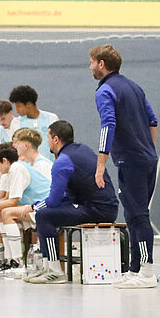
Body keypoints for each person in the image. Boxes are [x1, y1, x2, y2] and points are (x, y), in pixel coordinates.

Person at [90, 44, 159, 289]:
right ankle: (134, 269)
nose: (90, 67)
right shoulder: (135, 87)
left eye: (92, 62)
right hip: (146, 159)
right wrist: (150, 150)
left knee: (139, 215)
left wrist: (100, 165)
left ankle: (147, 272)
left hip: (132, 161)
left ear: (101, 64)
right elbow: (153, 120)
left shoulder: (105, 91)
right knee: (131, 214)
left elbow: (108, 126)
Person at [23, 120, 119, 284]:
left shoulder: (62, 162)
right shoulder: (83, 150)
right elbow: (65, 196)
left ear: (56, 139)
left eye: (48, 138)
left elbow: (53, 201)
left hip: (98, 210)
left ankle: (54, 270)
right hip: (105, 207)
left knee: (44, 215)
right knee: (47, 211)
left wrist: (32, 207)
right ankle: (47, 266)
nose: (47, 142)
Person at [0, 143, 51, 273]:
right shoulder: (10, 172)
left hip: (43, 206)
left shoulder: (17, 168)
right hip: (31, 206)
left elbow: (12, 202)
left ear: (4, 161)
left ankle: (16, 262)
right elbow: (3, 200)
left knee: (7, 212)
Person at [8, 85, 59, 159]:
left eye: (18, 106)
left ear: (29, 104)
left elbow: (57, 145)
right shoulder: (16, 123)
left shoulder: (52, 118)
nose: (16, 110)